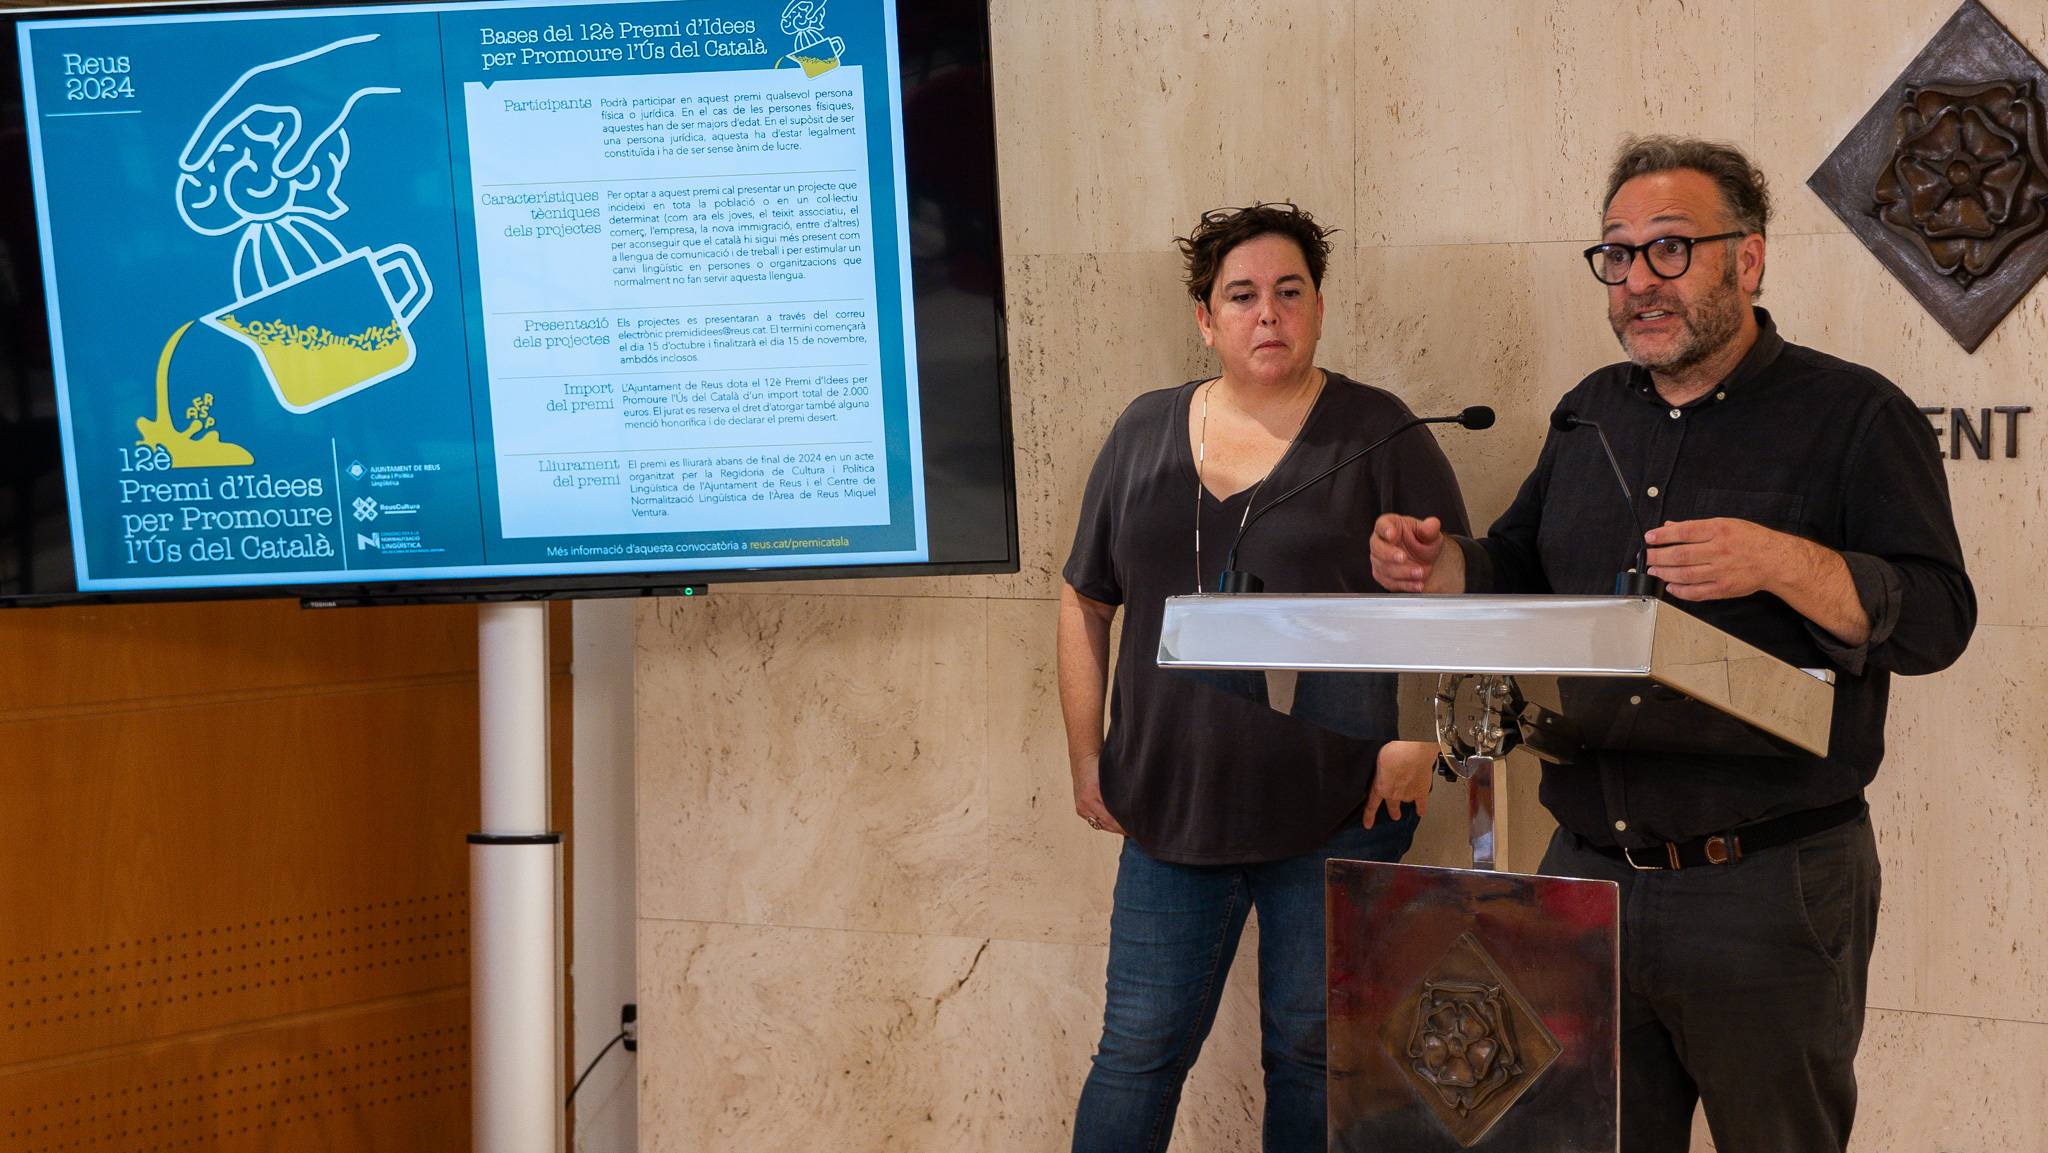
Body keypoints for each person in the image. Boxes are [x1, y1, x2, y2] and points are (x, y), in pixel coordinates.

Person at [1370, 137, 1976, 1153]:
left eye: (1669, 248)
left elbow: (1938, 619)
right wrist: (1442, 568)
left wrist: (1782, 562)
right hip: (1586, 873)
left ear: (1748, 259)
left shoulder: (1854, 416)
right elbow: (1522, 565)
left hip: (1765, 888)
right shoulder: (1588, 413)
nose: (1637, 281)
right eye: (1616, 254)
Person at [1060, 202, 1469, 1153]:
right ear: (1206, 319)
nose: (1268, 313)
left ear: (1319, 307)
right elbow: (1084, 598)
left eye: (1290, 292)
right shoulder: (1143, 431)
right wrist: (1086, 756)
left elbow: (1461, 592)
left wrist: (1427, 740)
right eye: (1242, 296)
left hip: (1336, 811)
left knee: (1312, 1057)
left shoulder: (1379, 432)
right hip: (1170, 806)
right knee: (1137, 1051)